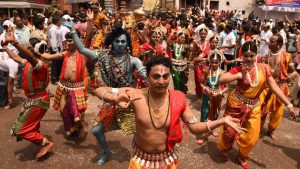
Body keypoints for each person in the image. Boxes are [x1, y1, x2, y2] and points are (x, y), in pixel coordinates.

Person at [94, 56, 246, 169]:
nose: (161, 81)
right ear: (147, 77)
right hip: (140, 161)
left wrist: (221, 121)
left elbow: (195, 127)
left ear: (170, 77)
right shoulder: (136, 94)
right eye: (156, 76)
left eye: (165, 76)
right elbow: (98, 90)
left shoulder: (178, 98)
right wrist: (114, 99)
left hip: (167, 161)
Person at [63, 21, 148, 165]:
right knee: (96, 131)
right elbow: (83, 49)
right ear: (111, 43)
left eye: (123, 41)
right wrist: (72, 31)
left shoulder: (134, 60)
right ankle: (106, 152)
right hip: (111, 99)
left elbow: (144, 73)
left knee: (140, 131)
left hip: (129, 101)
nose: (120, 44)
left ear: (128, 43)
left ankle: (136, 153)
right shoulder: (102, 57)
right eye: (117, 41)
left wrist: (149, 76)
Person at [217, 41, 296, 169]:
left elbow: (274, 86)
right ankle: (225, 149)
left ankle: (242, 155)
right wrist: (239, 75)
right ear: (242, 56)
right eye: (246, 56)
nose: (248, 59)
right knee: (229, 132)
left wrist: (289, 105)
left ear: (257, 54)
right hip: (236, 104)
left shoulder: (264, 68)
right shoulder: (239, 68)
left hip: (254, 106)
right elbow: (222, 79)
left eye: (252, 55)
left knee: (252, 136)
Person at [3, 27, 53, 159]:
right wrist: (5, 48)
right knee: (32, 126)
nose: (26, 48)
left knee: (21, 129)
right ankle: (42, 143)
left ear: (33, 50)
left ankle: (46, 143)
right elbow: (16, 58)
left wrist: (14, 43)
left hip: (39, 100)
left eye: (28, 47)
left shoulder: (40, 64)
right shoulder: (28, 62)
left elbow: (30, 58)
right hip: (34, 100)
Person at [260, 34, 298, 141]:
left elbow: (294, 72)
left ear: (279, 44)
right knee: (262, 109)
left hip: (281, 87)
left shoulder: (286, 56)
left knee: (277, 113)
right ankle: (258, 126)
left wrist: (287, 78)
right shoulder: (266, 55)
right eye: (270, 40)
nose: (269, 43)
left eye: (272, 41)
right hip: (266, 87)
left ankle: (270, 131)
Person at [197, 50, 228, 145]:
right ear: (209, 61)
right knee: (204, 114)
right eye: (212, 62)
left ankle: (212, 129)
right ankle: (203, 135)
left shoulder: (223, 73)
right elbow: (201, 83)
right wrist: (205, 88)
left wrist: (220, 92)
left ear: (220, 62)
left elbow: (227, 87)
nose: (214, 64)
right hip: (207, 96)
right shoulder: (206, 70)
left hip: (217, 97)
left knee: (215, 114)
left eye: (216, 62)